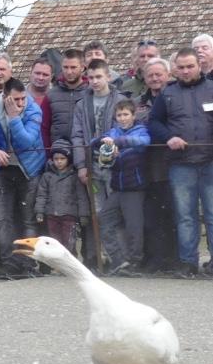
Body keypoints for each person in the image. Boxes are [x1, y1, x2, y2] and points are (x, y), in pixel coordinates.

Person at [148, 47, 213, 278]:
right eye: (181, 67)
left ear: (199, 66)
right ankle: (188, 263)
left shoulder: (211, 89)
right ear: (175, 69)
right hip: (180, 165)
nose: (185, 71)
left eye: (190, 66)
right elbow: (153, 123)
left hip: (210, 163)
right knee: (185, 216)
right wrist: (169, 137)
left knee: (212, 214)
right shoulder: (167, 94)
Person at [0, 77, 46, 279]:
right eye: (15, 100)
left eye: (22, 99)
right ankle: (10, 264)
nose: (20, 103)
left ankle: (28, 264)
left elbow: (26, 141)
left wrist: (14, 117)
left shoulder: (34, 110)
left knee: (27, 219)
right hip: (4, 169)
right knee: (3, 218)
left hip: (29, 169)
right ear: (4, 97)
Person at [71, 58, 127, 274]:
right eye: (90, 78)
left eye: (98, 77)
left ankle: (124, 258)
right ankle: (111, 258)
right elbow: (76, 136)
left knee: (117, 213)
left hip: (115, 167)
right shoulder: (81, 104)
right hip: (92, 167)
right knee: (99, 213)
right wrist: (81, 165)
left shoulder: (120, 101)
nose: (94, 81)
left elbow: (125, 131)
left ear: (108, 77)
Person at [91, 100, 151, 275]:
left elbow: (143, 141)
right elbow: (95, 141)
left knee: (134, 227)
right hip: (117, 187)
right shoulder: (112, 131)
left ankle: (135, 262)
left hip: (134, 187)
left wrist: (117, 142)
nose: (122, 118)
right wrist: (104, 142)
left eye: (126, 114)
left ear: (133, 115)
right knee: (104, 220)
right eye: (119, 115)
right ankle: (119, 259)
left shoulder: (140, 130)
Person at [134, 58, 180, 275]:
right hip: (147, 166)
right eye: (150, 74)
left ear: (168, 75)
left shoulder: (176, 97)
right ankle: (154, 259)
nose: (154, 78)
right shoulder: (138, 103)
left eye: (159, 74)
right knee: (150, 216)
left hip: (173, 163)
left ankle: (174, 259)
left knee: (173, 214)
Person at [34, 138, 89, 253]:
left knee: (69, 242)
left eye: (62, 158)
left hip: (70, 215)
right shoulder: (47, 176)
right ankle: (58, 267)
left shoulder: (74, 177)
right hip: (51, 215)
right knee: (55, 242)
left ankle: (70, 266)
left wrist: (83, 215)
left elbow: (81, 197)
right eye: (56, 159)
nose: (59, 161)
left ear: (68, 159)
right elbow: (41, 195)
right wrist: (39, 212)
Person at [47, 49, 89, 144]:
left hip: (85, 150)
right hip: (58, 154)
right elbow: (45, 128)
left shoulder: (91, 93)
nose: (69, 72)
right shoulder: (51, 95)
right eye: (65, 67)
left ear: (82, 67)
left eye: (73, 67)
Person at [27, 57, 53, 149]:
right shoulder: (18, 96)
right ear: (30, 73)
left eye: (45, 74)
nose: (40, 77)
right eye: (37, 73)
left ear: (51, 77)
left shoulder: (57, 98)